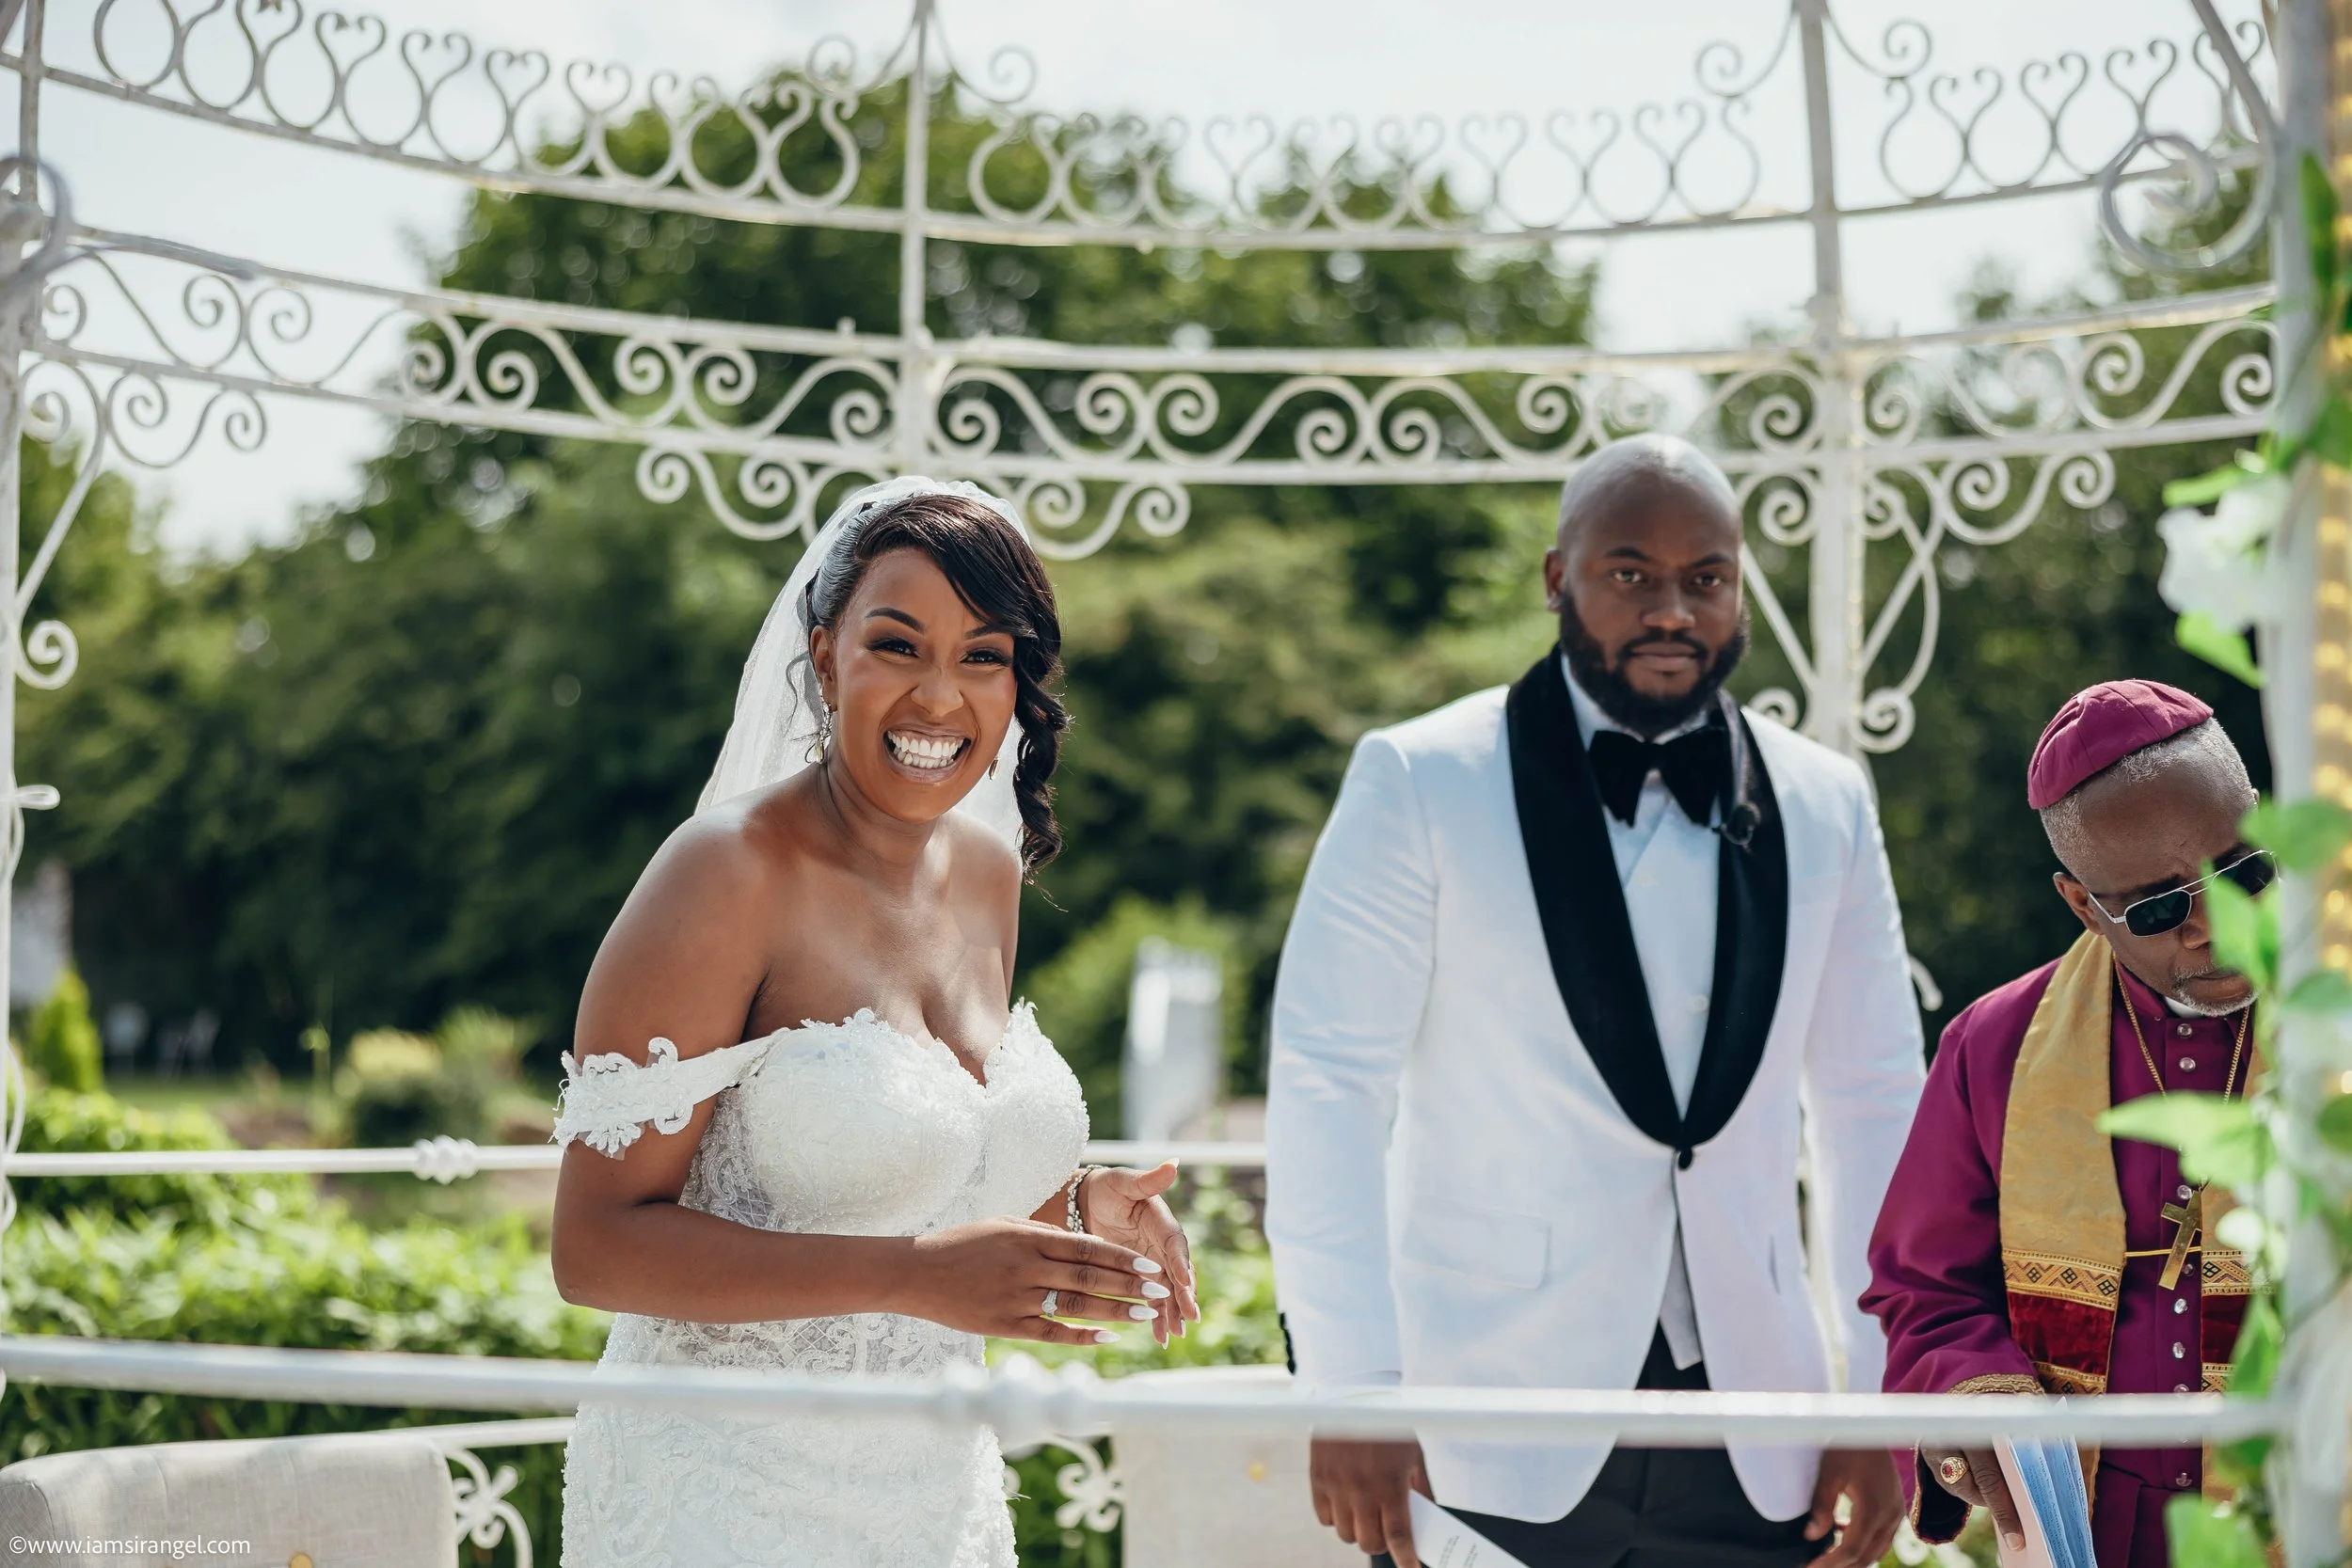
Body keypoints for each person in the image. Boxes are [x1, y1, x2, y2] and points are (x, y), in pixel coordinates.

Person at [1265, 434, 1923, 1568]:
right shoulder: (1420, 778)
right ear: (1558, 578)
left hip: (1760, 1437)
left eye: (1704, 577)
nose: (1671, 607)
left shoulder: (1826, 800)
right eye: (1630, 572)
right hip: (1484, 1420)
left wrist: (1881, 1403)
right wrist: (1355, 1386)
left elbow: (1873, 1108)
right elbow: (1327, 1086)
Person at [546, 477, 1200, 1568]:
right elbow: (594, 1244)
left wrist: (1083, 1205)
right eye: (897, 644)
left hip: (932, 1499)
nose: (939, 698)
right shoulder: (724, 873)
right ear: (823, 657)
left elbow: (935, 1169)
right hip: (719, 1498)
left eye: (983, 655)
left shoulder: (990, 877)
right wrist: (907, 1274)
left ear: (1018, 686)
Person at [1862, 679, 2265, 1568]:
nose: (2211, 924)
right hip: (2092, 1530)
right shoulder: (1998, 1044)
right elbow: (1927, 1291)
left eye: (2241, 871)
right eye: (2160, 908)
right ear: (2085, 905)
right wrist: (1980, 1407)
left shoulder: (2335, 1018)